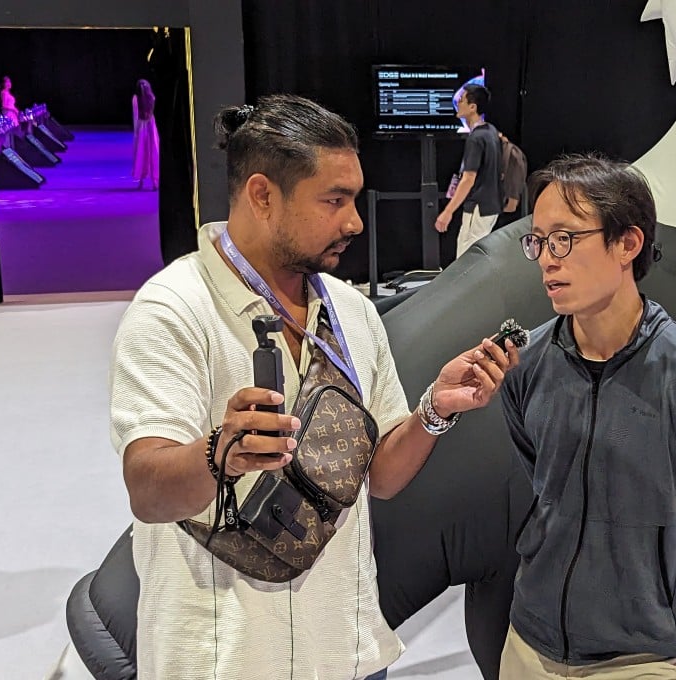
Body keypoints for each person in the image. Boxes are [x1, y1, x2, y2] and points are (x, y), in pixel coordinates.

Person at [109, 94, 520, 680]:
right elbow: (147, 490)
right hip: (221, 662)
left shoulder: (352, 312)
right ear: (262, 195)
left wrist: (434, 410)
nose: (355, 221)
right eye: (334, 200)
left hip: (345, 652)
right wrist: (218, 453)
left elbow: (380, 476)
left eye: (354, 198)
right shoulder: (172, 311)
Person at [498, 154, 676, 679]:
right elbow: (540, 478)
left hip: (641, 661)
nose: (548, 259)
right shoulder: (526, 365)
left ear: (627, 243)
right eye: (539, 241)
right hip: (528, 645)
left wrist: (657, 604)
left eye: (565, 239)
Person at [434, 84, 502, 257]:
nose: (457, 102)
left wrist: (447, 212)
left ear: (473, 107)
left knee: (467, 257)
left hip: (479, 206)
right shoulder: (492, 131)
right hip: (491, 205)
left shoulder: (476, 138)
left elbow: (468, 178)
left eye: (462, 100)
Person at [131, 78, 160, 190]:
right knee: (153, 152)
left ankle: (142, 181)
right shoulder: (152, 98)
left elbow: (136, 116)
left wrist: (136, 133)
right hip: (151, 126)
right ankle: (155, 182)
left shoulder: (135, 99)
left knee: (142, 152)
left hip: (142, 127)